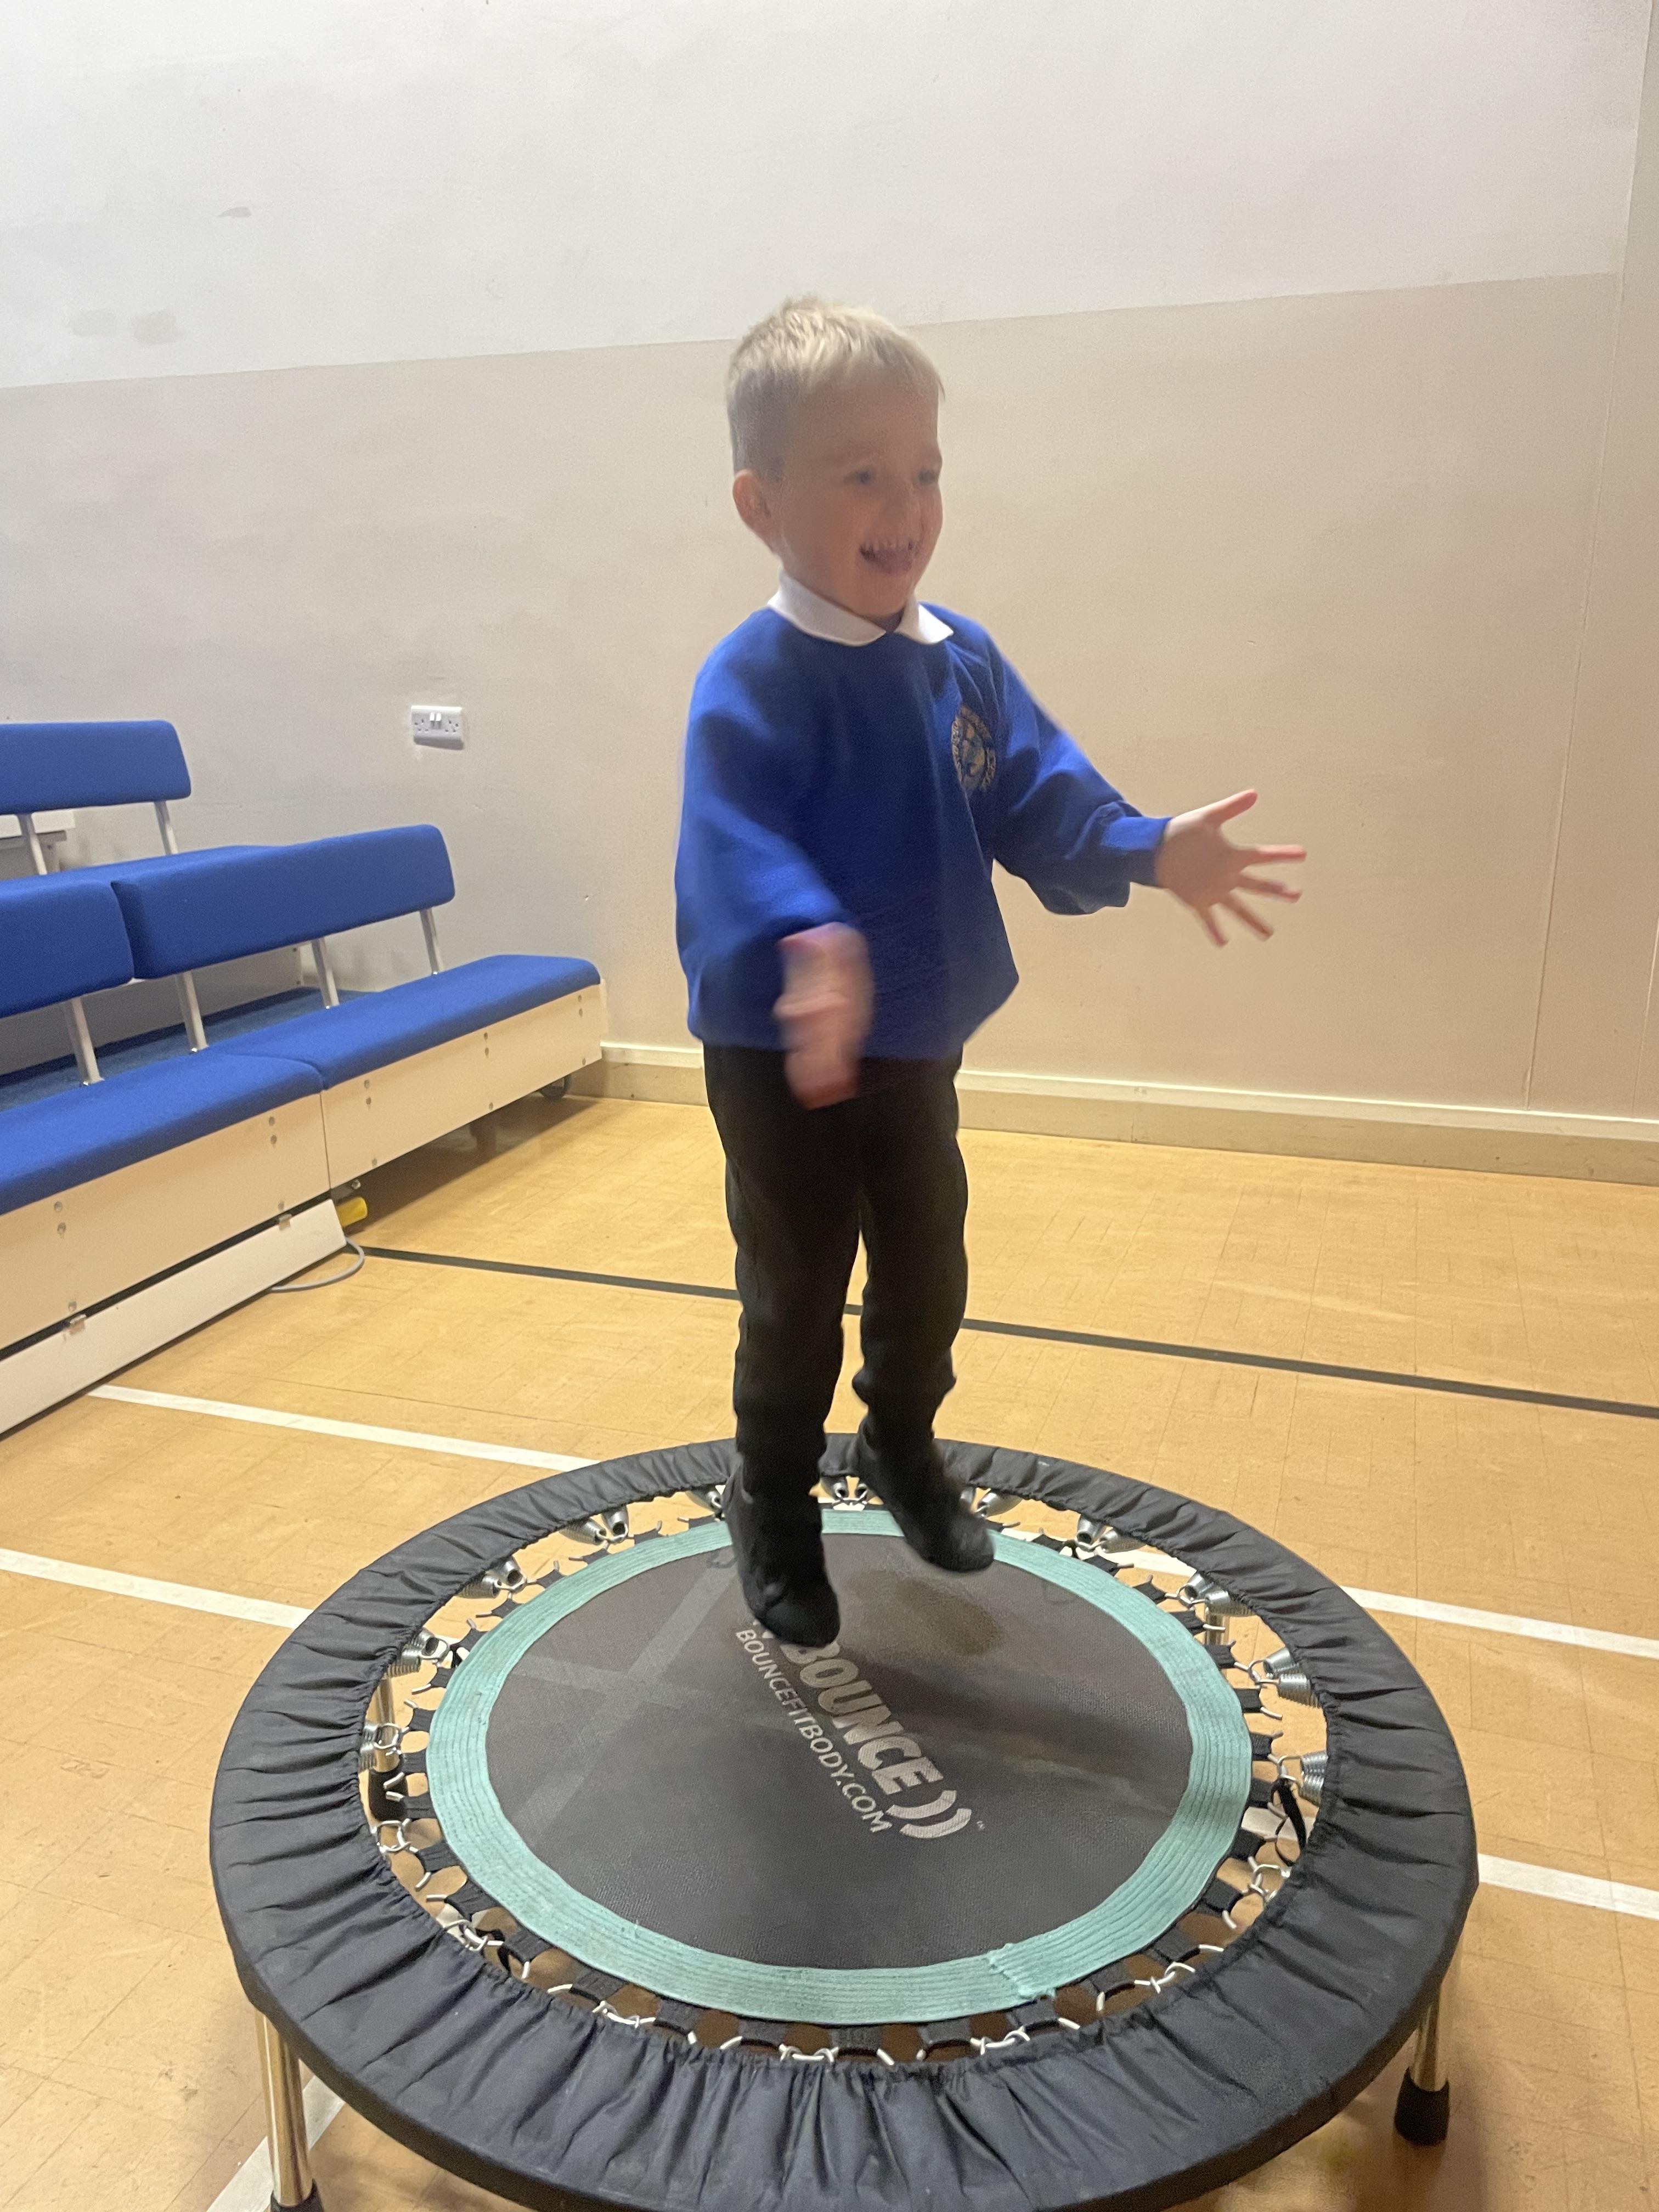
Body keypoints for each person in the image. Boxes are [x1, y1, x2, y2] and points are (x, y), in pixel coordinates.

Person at [675, 297, 1304, 1649]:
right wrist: (807, 941)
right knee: (796, 1286)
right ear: (761, 504)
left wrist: (1148, 848)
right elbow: (736, 841)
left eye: (925, 471)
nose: (904, 508)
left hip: (912, 1033)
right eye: (861, 474)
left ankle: (900, 1441)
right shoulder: (751, 681)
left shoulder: (957, 661)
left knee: (927, 1264)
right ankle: (772, 1494)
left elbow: (1037, 796)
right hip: (785, 1051)